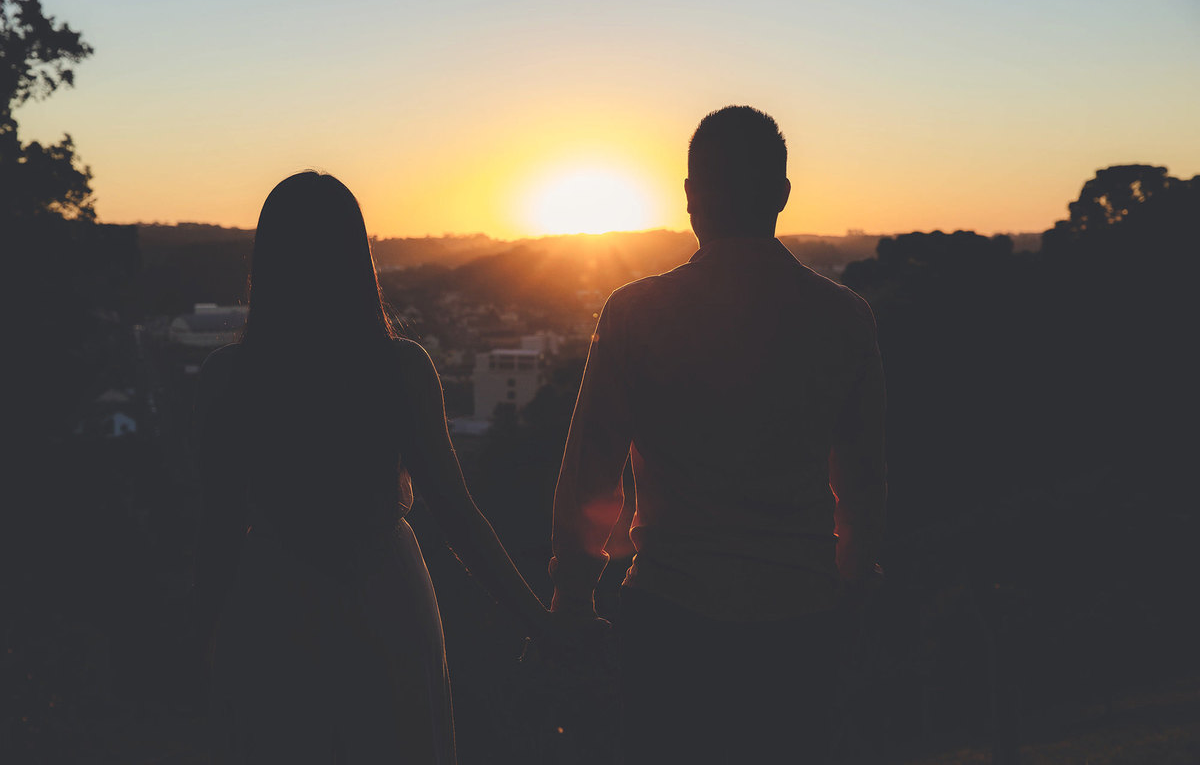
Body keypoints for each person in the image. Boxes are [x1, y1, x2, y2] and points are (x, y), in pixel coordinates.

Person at [548, 106, 887, 764]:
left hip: (669, 617)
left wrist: (573, 593)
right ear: (783, 195)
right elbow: (864, 481)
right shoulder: (844, 320)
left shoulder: (635, 315)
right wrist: (850, 583)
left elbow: (592, 470)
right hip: (801, 617)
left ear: (689, 199)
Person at [191, 171, 553, 764]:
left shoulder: (226, 378)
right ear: (357, 256)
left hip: (269, 604)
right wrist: (538, 621)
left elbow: (216, 530)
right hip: (385, 597)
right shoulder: (402, 368)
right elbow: (457, 514)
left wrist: (195, 640)